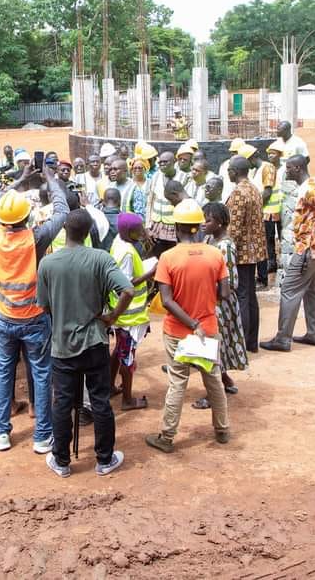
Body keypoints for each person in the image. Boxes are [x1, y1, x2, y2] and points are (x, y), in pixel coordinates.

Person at [36, 209, 133, 478]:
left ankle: (62, 461)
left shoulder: (48, 264)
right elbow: (128, 290)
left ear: (64, 228)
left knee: (62, 403)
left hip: (62, 345)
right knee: (100, 400)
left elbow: (43, 307)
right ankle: (104, 459)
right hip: (94, 341)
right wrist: (112, 317)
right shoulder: (100, 258)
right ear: (89, 231)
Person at [0, 165, 69, 453]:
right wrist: (50, 179)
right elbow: (62, 211)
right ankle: (43, 437)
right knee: (42, 374)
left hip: (6, 317)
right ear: (27, 216)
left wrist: (18, 181)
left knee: (4, 372)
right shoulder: (36, 237)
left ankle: (1, 431)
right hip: (34, 318)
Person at [145, 200, 230, 454]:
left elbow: (168, 301)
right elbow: (224, 293)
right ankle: (222, 430)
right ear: (197, 226)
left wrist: (191, 321)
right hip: (207, 328)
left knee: (178, 382)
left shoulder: (168, 258)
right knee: (213, 379)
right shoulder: (215, 254)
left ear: (176, 226)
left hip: (178, 331)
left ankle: (167, 436)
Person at [261, 156, 315, 352]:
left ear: (297, 168)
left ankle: (283, 338)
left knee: (289, 290)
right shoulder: (308, 188)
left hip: (307, 250)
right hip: (314, 250)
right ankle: (314, 333)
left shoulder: (312, 190)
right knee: (312, 292)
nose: (285, 171)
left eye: (288, 168)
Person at [192, 202, 247, 409]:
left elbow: (231, 281)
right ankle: (225, 380)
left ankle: (213, 393)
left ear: (221, 222)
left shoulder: (225, 246)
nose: (203, 224)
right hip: (210, 300)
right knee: (217, 344)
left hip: (220, 303)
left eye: (208, 220)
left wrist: (205, 289)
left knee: (213, 346)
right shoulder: (209, 240)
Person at [108, 213, 154, 411]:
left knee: (118, 350)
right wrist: (150, 273)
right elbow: (125, 284)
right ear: (129, 232)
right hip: (129, 315)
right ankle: (127, 399)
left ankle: (109, 386)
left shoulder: (118, 241)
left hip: (120, 312)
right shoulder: (127, 252)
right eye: (139, 229)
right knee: (127, 357)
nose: (142, 232)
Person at [225, 156, 266, 351]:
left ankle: (241, 342)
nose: (228, 173)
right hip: (255, 250)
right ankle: (251, 342)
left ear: (234, 171)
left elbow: (234, 227)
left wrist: (227, 250)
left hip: (242, 251)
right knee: (250, 295)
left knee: (242, 296)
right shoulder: (254, 189)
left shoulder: (239, 193)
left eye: (229, 170)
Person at [253, 147, 283, 286]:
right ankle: (269, 267)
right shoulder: (256, 170)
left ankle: (270, 266)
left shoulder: (267, 168)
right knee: (265, 242)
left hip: (269, 211)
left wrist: (256, 207)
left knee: (267, 242)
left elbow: (267, 191)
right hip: (264, 211)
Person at [146, 151, 182, 255]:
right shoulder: (156, 177)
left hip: (174, 226)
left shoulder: (183, 177)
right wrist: (148, 225)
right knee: (157, 256)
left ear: (174, 162)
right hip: (156, 226)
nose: (162, 164)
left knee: (174, 256)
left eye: (165, 162)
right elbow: (150, 202)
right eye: (160, 162)